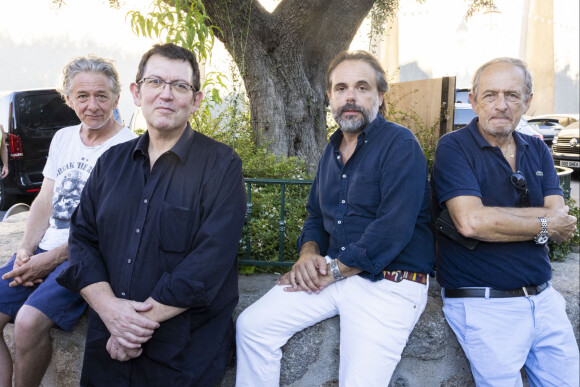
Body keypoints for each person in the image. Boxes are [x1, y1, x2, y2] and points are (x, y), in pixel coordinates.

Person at [235, 50, 434, 386]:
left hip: (390, 282)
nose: (350, 97)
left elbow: (392, 229)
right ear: (329, 96)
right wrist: (308, 254)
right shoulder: (331, 150)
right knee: (252, 328)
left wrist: (331, 270)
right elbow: (316, 214)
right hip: (338, 273)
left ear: (380, 97)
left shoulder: (400, 144)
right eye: (340, 88)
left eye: (362, 87)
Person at [56, 43, 247, 386]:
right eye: (155, 82)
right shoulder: (110, 164)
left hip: (182, 354)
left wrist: (131, 327)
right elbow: (82, 241)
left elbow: (210, 260)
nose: (166, 95)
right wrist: (111, 313)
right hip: (108, 349)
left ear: (196, 100)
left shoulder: (222, 166)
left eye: (180, 86)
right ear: (136, 92)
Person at [430, 57, 579, 386]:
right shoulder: (453, 148)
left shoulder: (537, 149)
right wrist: (542, 224)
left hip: (544, 300)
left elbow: (562, 220)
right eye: (490, 95)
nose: (501, 105)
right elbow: (471, 222)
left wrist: (500, 219)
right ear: (473, 100)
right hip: (485, 305)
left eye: (512, 95)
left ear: (527, 102)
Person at [0, 56, 136, 387]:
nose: (93, 106)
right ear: (69, 99)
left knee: (28, 322)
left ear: (116, 99)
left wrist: (50, 260)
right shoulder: (62, 138)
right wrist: (26, 247)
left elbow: (107, 229)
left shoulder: (128, 148)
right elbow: (45, 200)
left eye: (102, 96)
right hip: (44, 251)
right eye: (83, 96)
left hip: (83, 258)